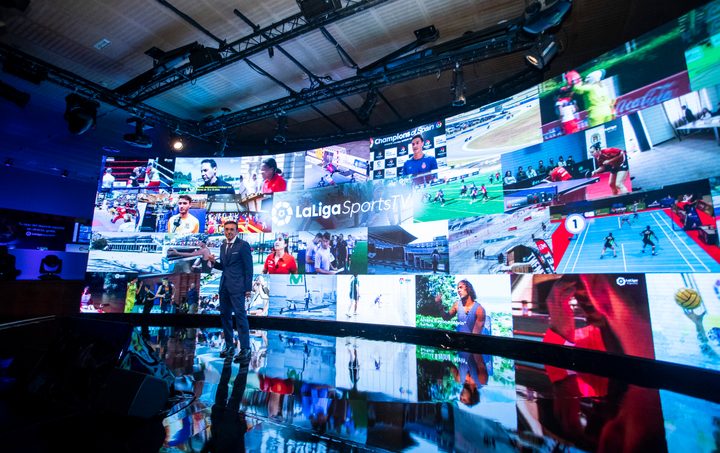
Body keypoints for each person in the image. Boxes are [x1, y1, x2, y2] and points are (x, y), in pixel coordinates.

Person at [208, 220, 254, 362]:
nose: (229, 232)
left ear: (237, 231)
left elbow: (249, 268)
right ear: (224, 231)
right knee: (225, 316)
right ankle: (229, 347)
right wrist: (214, 263)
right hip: (224, 287)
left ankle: (245, 349)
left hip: (238, 287)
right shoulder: (223, 246)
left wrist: (248, 288)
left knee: (240, 317)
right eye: (226, 229)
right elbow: (225, 267)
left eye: (232, 229)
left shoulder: (243, 245)